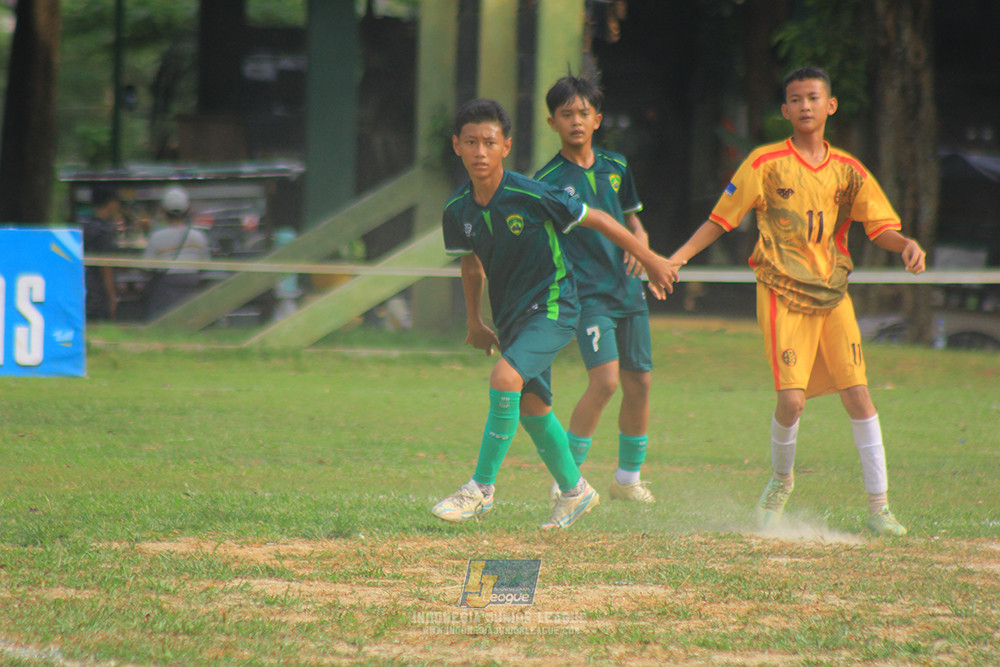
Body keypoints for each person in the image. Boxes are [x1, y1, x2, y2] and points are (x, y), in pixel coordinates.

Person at [667, 67, 926, 536]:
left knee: (859, 395)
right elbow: (721, 220)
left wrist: (905, 243)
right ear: (785, 110)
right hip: (782, 294)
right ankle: (781, 482)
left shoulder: (848, 171)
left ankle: (879, 507)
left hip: (833, 295)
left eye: (813, 97)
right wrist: (678, 258)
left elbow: (879, 227)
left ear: (830, 106)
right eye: (795, 99)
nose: (805, 105)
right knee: (791, 401)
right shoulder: (764, 164)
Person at [432, 98, 682, 529]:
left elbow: (599, 219)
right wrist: (474, 321)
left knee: (504, 379)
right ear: (457, 145)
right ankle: (574, 491)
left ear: (506, 146)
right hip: (512, 317)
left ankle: (480, 490)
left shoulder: (532, 193)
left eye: (489, 142)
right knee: (532, 408)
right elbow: (471, 264)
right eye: (470, 142)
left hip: (554, 305)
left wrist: (650, 258)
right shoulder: (457, 209)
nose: (480, 151)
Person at [534, 75, 660, 504]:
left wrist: (641, 242)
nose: (576, 121)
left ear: (597, 120)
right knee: (605, 381)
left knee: (639, 382)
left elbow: (631, 219)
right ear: (552, 122)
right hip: (587, 296)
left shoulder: (617, 166)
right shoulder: (548, 179)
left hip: (628, 290)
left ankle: (628, 479)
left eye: (583, 113)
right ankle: (567, 476)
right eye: (566, 114)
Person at [142, 187, 210, 318]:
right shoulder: (198, 236)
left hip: (166, 286)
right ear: (187, 210)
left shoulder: (157, 237)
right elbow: (206, 265)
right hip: (192, 283)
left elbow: (147, 268)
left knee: (165, 320)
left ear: (163, 212)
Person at [83, 185, 122, 321]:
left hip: (86, 289)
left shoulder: (87, 227)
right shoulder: (104, 231)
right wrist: (112, 297)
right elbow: (106, 266)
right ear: (110, 203)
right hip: (99, 294)